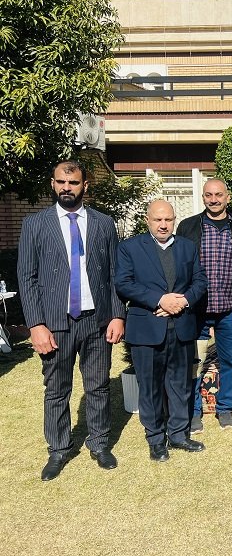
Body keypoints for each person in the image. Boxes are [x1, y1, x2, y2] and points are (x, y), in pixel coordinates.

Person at [17, 160, 126, 481]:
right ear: (53, 184)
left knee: (99, 387)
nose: (67, 188)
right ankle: (58, 449)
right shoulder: (35, 225)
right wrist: (35, 324)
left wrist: (118, 315)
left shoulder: (105, 224)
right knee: (56, 390)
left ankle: (100, 443)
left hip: (96, 321)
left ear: (84, 186)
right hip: (54, 324)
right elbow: (26, 277)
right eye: (62, 182)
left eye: (74, 183)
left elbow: (114, 274)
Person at [115, 200, 208, 462]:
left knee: (180, 385)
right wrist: (161, 300)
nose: (163, 225)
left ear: (175, 219)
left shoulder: (187, 247)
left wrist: (182, 301)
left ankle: (178, 434)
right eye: (158, 220)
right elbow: (124, 284)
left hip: (181, 327)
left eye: (168, 219)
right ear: (147, 220)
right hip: (147, 330)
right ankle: (156, 439)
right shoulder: (130, 248)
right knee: (151, 387)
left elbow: (200, 280)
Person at [176, 178, 232, 432]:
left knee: (230, 361)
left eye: (219, 194)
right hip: (196, 310)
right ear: (203, 197)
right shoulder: (188, 227)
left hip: (228, 309)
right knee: (194, 362)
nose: (214, 199)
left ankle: (225, 409)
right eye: (209, 195)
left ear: (227, 197)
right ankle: (194, 411)